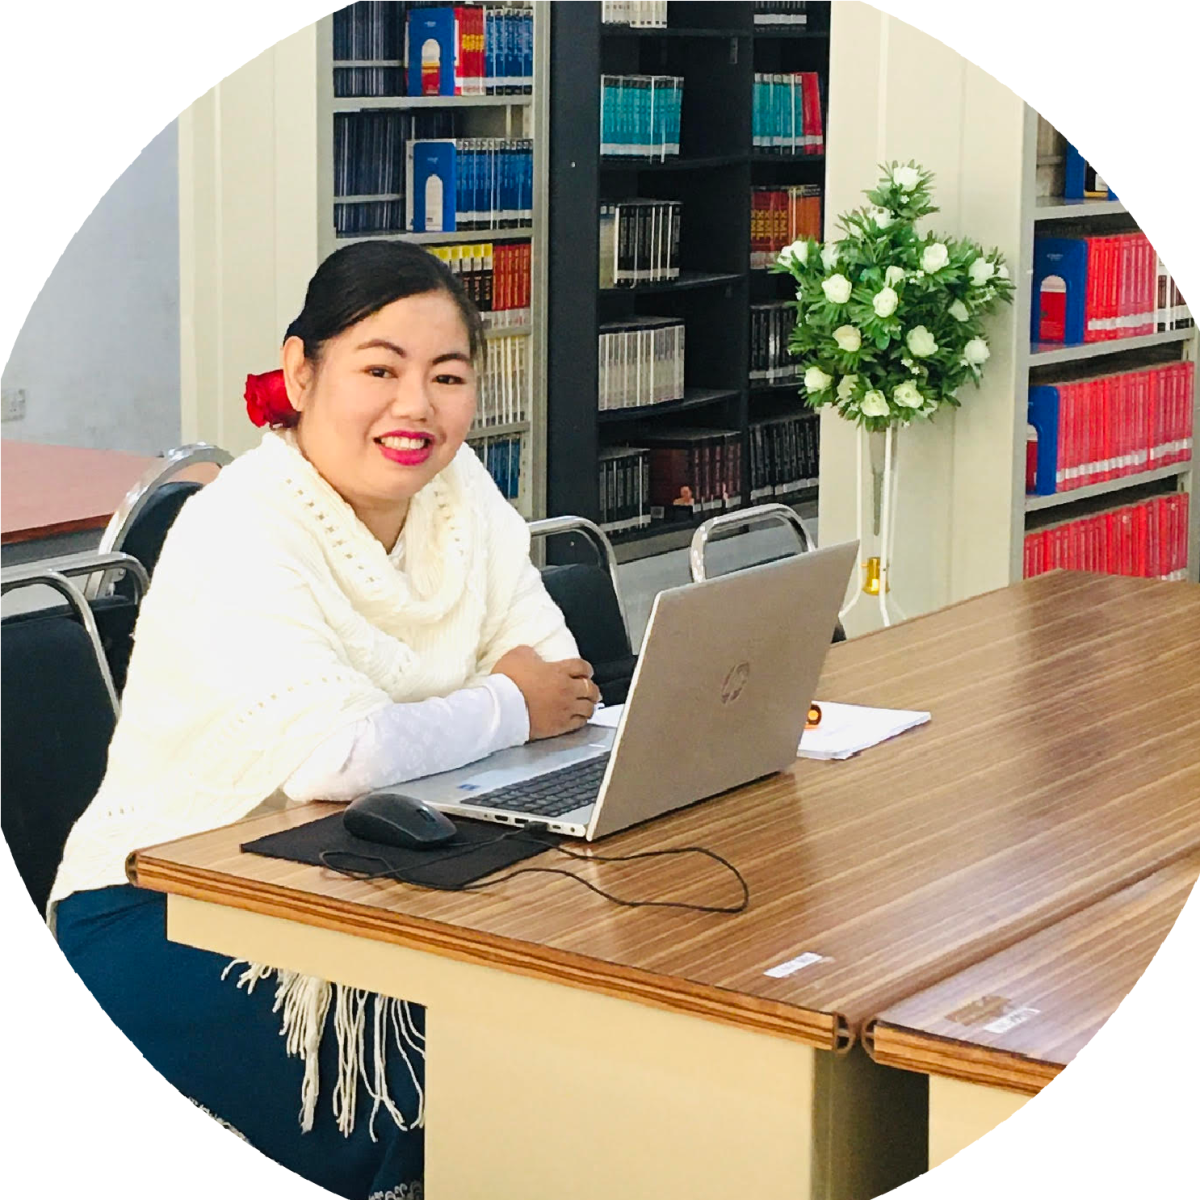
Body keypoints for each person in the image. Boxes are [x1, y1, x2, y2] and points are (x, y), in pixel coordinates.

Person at [50, 240, 600, 1200]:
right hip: (172, 901)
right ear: (301, 373)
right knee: (472, 1074)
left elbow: (562, 674)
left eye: (448, 376)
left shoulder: (459, 488)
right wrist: (507, 703)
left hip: (381, 872)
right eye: (380, 370)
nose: (415, 406)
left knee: (581, 1020)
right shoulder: (239, 524)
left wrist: (497, 708)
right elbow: (336, 758)